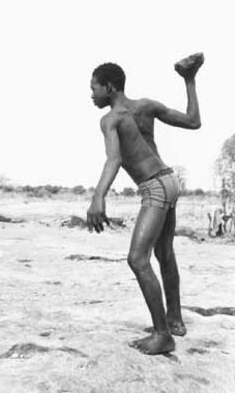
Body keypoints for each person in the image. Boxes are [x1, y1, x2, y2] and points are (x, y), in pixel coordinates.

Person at [87, 53, 204, 355]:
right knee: (164, 253)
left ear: (109, 87)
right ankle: (174, 318)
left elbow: (114, 158)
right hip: (170, 180)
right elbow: (194, 121)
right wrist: (189, 81)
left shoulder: (110, 119)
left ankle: (163, 335)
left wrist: (98, 196)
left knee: (138, 259)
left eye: (94, 88)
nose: (91, 94)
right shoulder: (146, 107)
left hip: (154, 187)